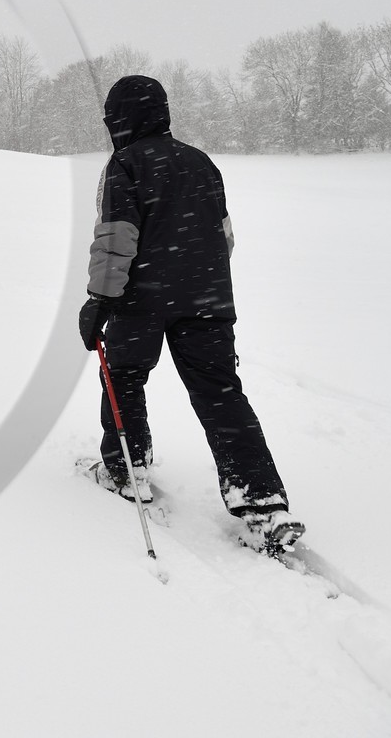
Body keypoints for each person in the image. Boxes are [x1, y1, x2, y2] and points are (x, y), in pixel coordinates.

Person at [79, 75, 304, 553]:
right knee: (220, 393)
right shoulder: (201, 162)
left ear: (122, 119)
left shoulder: (125, 164)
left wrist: (99, 299)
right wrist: (193, 279)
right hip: (208, 300)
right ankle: (262, 503)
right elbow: (224, 238)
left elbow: (117, 240)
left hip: (141, 300)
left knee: (123, 377)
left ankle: (126, 469)